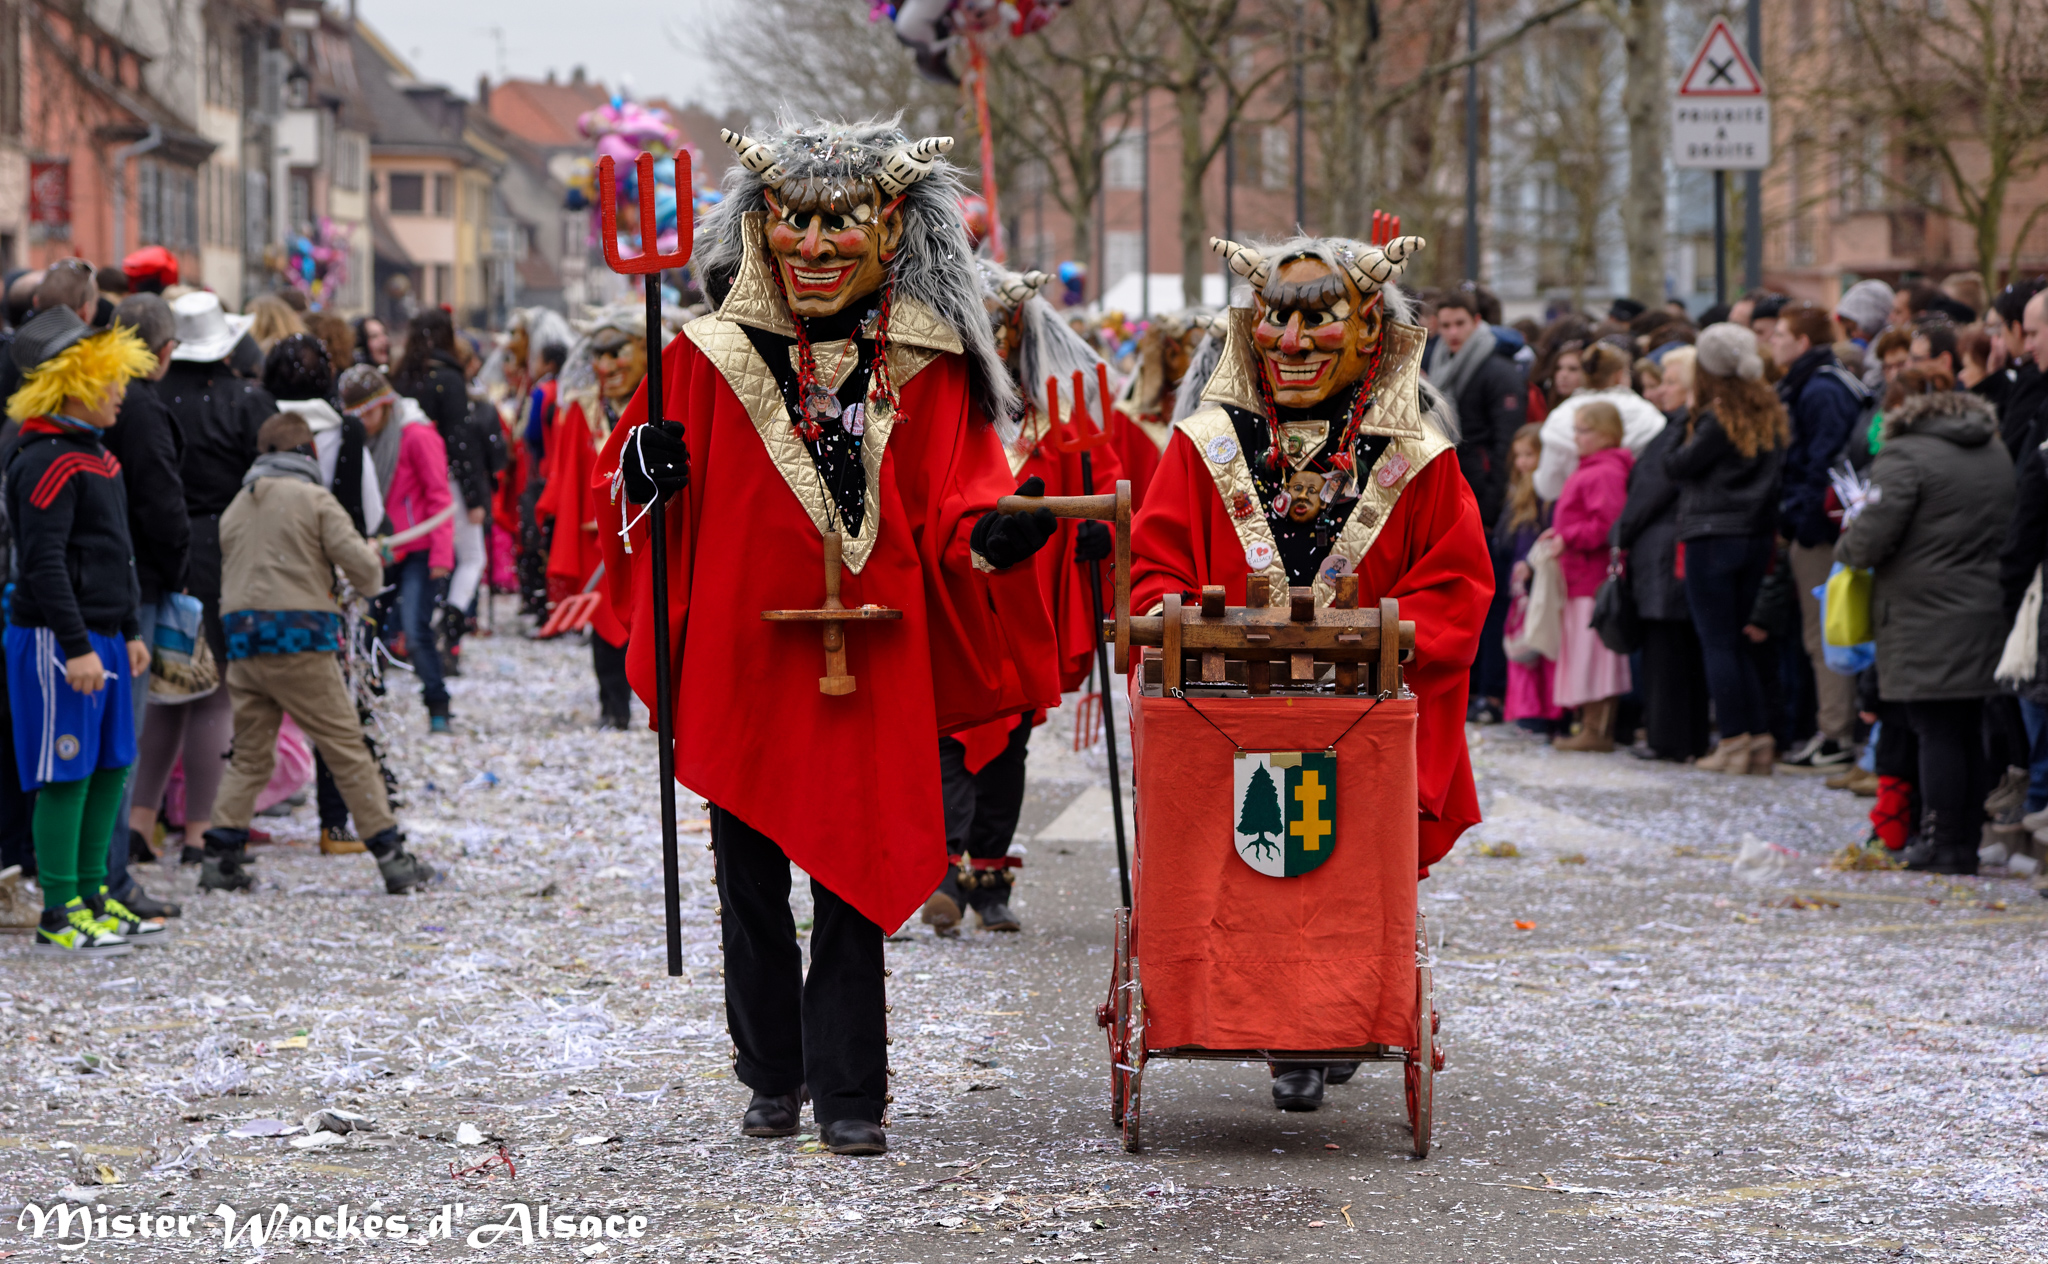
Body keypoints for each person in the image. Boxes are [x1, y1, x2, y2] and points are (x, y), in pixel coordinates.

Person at [602, 121, 1059, 1156]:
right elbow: (629, 502)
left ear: (889, 228)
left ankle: (851, 1091)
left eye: (840, 222)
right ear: (760, 226)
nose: (813, 245)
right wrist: (645, 470)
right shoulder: (704, 357)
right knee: (748, 880)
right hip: (742, 660)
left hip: (876, 662)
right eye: (793, 222)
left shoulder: (931, 361)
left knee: (855, 877)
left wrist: (991, 534)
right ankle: (771, 1074)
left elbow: (957, 495)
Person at [1132, 229, 1492, 1112]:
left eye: (1319, 320)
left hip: (1359, 716)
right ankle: (1284, 1030)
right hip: (1227, 712)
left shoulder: (1419, 453)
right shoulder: (1204, 444)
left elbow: (1457, 586)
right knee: (1249, 869)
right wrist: (1174, 615)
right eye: (1275, 321)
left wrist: (1388, 633)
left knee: (1340, 873)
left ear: (1371, 329)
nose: (1292, 343)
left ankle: (1330, 1017)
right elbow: (1154, 570)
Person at [924, 263, 1124, 937]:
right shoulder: (938, 412)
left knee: (1009, 743)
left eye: (999, 327)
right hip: (953, 602)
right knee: (946, 739)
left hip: (1023, 607)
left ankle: (989, 880)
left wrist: (1098, 531)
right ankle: (943, 870)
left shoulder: (1059, 423)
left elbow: (1106, 490)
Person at [203, 412, 437, 894]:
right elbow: (367, 575)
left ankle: (219, 857)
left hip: (243, 641)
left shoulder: (236, 507)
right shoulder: (314, 500)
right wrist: (370, 555)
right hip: (300, 642)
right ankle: (392, 856)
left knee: (250, 754)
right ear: (307, 453)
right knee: (345, 747)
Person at [3, 307, 165, 955]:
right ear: (74, 384)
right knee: (67, 771)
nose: (121, 391)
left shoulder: (97, 456)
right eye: (110, 379)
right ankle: (59, 909)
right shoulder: (44, 460)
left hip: (101, 637)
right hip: (56, 640)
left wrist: (127, 628)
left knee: (109, 766)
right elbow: (42, 565)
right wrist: (75, 647)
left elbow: (116, 553)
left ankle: (94, 895)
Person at [1836, 369, 2012, 873]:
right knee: (1967, 727)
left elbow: (1869, 539)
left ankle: (1940, 840)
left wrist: (1847, 543)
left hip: (1923, 613)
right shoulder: (1993, 447)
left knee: (1935, 729)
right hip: (1985, 609)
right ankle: (1964, 841)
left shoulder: (1905, 454)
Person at [147, 291, 273, 870]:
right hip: (226, 550)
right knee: (215, 692)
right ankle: (201, 829)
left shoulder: (151, 398)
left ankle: (140, 821)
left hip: (160, 548)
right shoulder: (245, 401)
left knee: (166, 689)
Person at [98, 295, 188, 918]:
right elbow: (161, 504)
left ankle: (98, 874)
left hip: (110, 583)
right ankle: (108, 877)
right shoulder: (140, 408)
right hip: (134, 586)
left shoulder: (104, 399)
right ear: (163, 351)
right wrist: (177, 569)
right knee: (119, 736)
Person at [1666, 324, 1788, 773]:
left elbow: (1674, 464)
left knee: (1717, 643)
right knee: (1737, 640)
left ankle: (1735, 740)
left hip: (1712, 535)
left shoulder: (1715, 418)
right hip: (1754, 536)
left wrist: (1684, 417)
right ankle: (1758, 737)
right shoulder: (1769, 410)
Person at [1770, 300, 1868, 770]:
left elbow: (1821, 462)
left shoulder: (1820, 388)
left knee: (1826, 633)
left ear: (1802, 341)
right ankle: (1833, 728)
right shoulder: (1820, 381)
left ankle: (1835, 733)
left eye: (1780, 335)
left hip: (1822, 530)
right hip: (1825, 523)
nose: (1772, 343)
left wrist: (1803, 520)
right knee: (1825, 632)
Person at [539, 307, 647, 729]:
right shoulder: (581, 411)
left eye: (616, 353)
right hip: (599, 537)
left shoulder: (663, 397)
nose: (606, 365)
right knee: (605, 624)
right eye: (597, 356)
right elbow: (568, 477)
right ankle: (613, 708)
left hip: (653, 532)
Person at [1616, 348, 1710, 761]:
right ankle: (1683, 736)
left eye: (1671, 382)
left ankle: (1668, 737)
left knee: (1666, 648)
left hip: (1663, 549)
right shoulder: (1686, 426)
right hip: (1670, 546)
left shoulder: (1680, 428)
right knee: (1677, 646)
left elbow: (1650, 489)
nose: (1661, 390)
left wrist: (1620, 533)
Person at [353, 367, 456, 732]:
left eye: (368, 412)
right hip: (382, 548)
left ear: (384, 404)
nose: (364, 421)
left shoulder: (416, 435)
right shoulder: (364, 440)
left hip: (419, 547)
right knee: (367, 630)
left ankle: (437, 705)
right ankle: (369, 702)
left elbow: (439, 496)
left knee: (415, 629)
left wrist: (441, 555)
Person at [1542, 401, 1633, 751]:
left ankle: (1597, 729)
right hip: (1581, 575)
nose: (1577, 437)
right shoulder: (1595, 468)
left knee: (1595, 656)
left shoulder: (1604, 472)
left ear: (1607, 434)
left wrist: (1568, 536)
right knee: (1588, 655)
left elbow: (1607, 525)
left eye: (1585, 430)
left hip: (1592, 577)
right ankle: (1591, 727)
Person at [1426, 289, 1525, 530]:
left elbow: (1507, 442)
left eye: (1460, 323)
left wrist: (1490, 506)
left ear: (1477, 321)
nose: (1453, 332)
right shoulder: (1438, 363)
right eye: (1446, 325)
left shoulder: (1499, 371)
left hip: (1484, 494)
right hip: (1452, 485)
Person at [1532, 341, 1665, 502]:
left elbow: (1548, 486)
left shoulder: (1562, 414)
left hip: (1577, 506)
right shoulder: (1644, 413)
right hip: (1634, 506)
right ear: (1619, 375)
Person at [1110, 307, 1210, 508]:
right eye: (1197, 353)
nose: (1208, 364)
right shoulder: (1128, 421)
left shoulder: (1216, 418)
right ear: (1171, 355)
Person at [1498, 424, 1560, 733]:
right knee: (1522, 638)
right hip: (1520, 573)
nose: (1523, 462)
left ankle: (1546, 709)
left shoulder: (1545, 491)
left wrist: (1530, 563)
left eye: (1529, 455)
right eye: (1518, 456)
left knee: (1537, 638)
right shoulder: (1520, 488)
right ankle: (1527, 708)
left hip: (1535, 573)